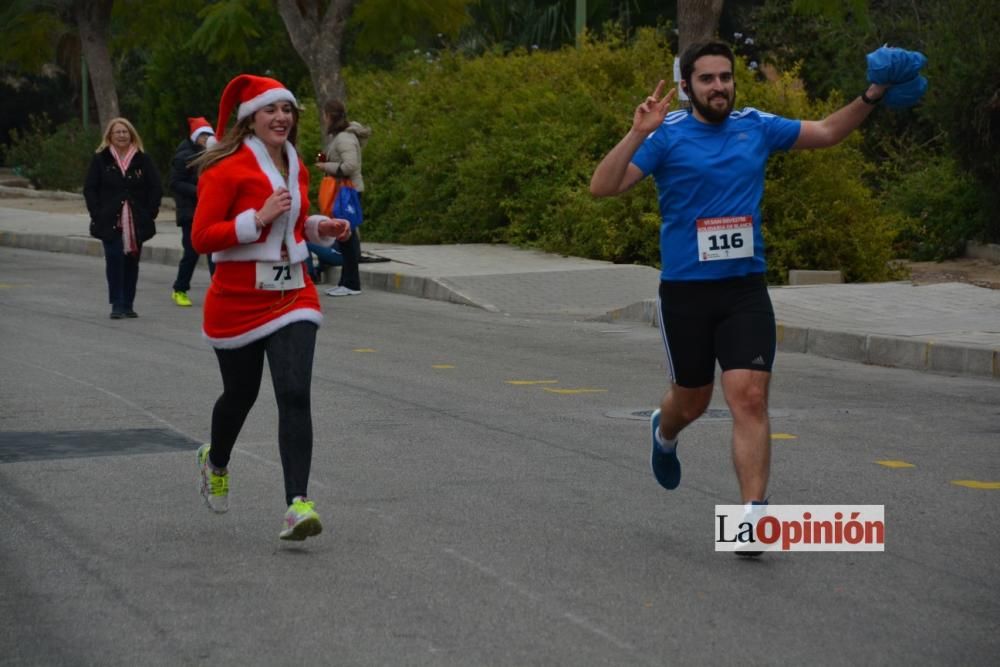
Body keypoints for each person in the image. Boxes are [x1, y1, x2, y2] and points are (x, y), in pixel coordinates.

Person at [590, 42, 924, 548]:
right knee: (693, 402)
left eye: (725, 77)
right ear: (687, 87)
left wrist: (873, 93)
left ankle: (751, 519)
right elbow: (602, 187)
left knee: (749, 398)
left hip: (745, 290)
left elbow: (829, 131)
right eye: (707, 79)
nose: (719, 86)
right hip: (686, 294)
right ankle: (664, 430)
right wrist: (637, 132)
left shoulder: (757, 126)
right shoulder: (667, 137)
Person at [190, 74, 351, 541]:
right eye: (271, 110)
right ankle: (215, 459)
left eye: (287, 110)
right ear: (250, 119)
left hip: (293, 292)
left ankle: (297, 505)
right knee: (241, 395)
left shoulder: (296, 164)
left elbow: (296, 223)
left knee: (295, 394)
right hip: (238, 298)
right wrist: (254, 219)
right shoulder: (224, 169)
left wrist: (324, 227)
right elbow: (202, 237)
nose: (281, 118)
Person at [84, 117, 161, 319]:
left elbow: (156, 187)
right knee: (115, 259)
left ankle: (128, 303)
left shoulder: (143, 159)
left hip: (136, 221)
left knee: (131, 262)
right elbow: (90, 189)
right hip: (110, 220)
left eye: (125, 132)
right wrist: (97, 213)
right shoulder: (101, 159)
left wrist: (150, 212)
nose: (121, 135)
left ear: (131, 134)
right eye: (117, 132)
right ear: (110, 135)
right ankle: (117, 303)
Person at [316, 99, 371, 297]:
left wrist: (327, 167)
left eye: (324, 115)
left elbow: (350, 165)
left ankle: (351, 283)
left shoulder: (344, 138)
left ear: (330, 115)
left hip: (348, 192)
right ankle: (346, 282)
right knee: (347, 236)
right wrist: (326, 159)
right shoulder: (340, 137)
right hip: (346, 191)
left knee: (346, 235)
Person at [168, 116, 217, 307]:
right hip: (190, 212)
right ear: (195, 137)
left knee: (214, 253)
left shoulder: (213, 154)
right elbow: (175, 183)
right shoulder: (184, 156)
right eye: (203, 136)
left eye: (209, 136)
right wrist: (198, 191)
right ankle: (180, 289)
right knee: (192, 251)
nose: (206, 140)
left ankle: (219, 290)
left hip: (211, 211)